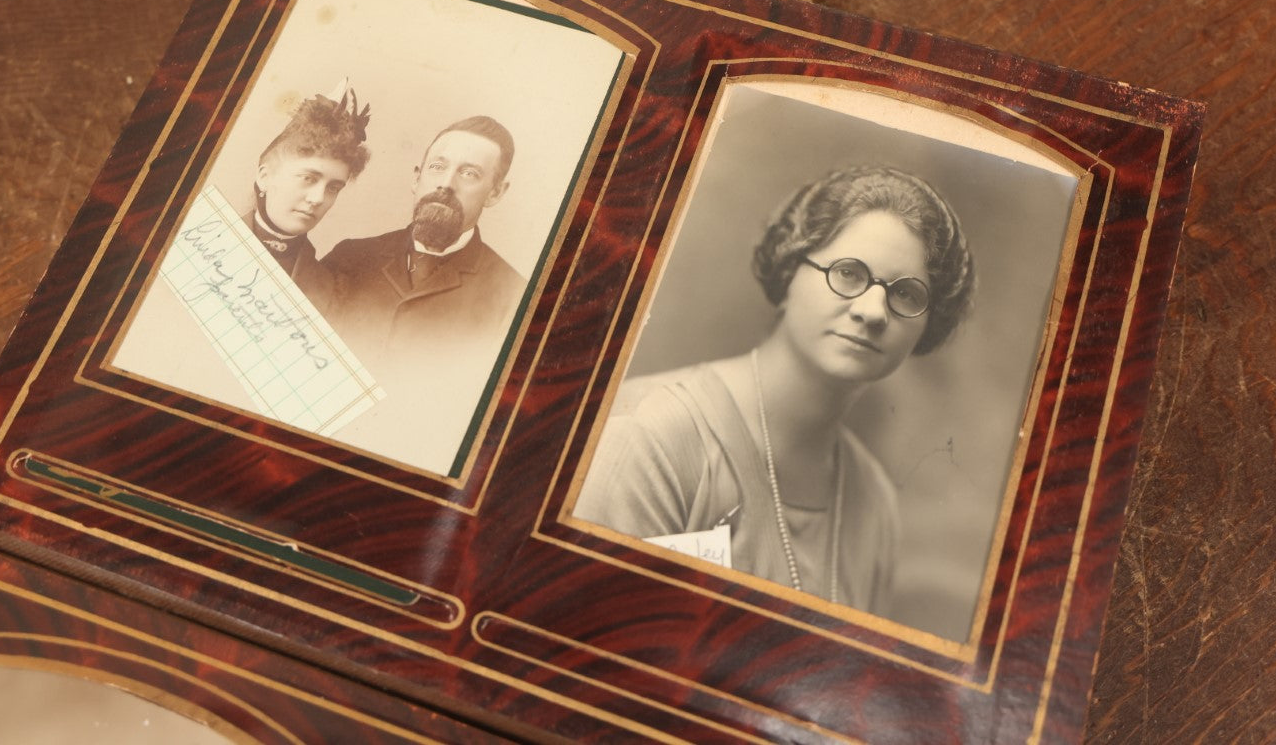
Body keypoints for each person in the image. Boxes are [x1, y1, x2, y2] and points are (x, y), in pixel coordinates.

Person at [576, 166, 974, 614]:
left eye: (906, 294)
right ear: (789, 269)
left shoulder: (875, 504)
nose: (872, 310)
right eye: (848, 273)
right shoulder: (653, 437)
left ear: (926, 326)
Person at [323, 115, 527, 390]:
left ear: (495, 193)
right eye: (437, 166)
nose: (446, 184)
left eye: (470, 174)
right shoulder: (349, 257)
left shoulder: (513, 298)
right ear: (416, 178)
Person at [249, 82, 371, 313]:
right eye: (308, 178)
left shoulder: (331, 292)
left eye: (334, 188)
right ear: (265, 176)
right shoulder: (194, 232)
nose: (318, 198)